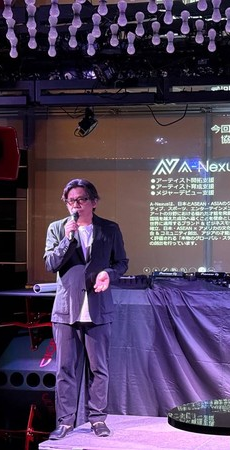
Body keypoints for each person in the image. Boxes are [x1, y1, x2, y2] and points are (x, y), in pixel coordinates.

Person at [44, 178, 129, 440]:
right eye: (71, 201)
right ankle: (65, 422)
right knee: (65, 369)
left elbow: (121, 262)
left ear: (93, 202)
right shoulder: (57, 228)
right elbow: (51, 263)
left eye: (81, 199)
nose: (76, 205)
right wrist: (67, 239)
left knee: (98, 369)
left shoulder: (109, 229)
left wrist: (107, 274)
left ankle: (97, 419)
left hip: (98, 308)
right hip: (66, 310)